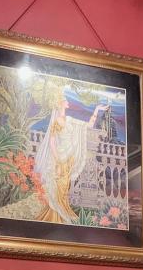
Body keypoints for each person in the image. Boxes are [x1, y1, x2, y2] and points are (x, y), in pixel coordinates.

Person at [34, 92, 108, 224]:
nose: (67, 102)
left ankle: (61, 215)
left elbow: (88, 125)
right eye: (65, 100)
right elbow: (52, 141)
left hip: (69, 157)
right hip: (60, 158)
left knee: (65, 187)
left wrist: (97, 109)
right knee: (59, 186)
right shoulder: (57, 121)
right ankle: (54, 216)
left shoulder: (69, 119)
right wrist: (57, 159)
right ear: (60, 104)